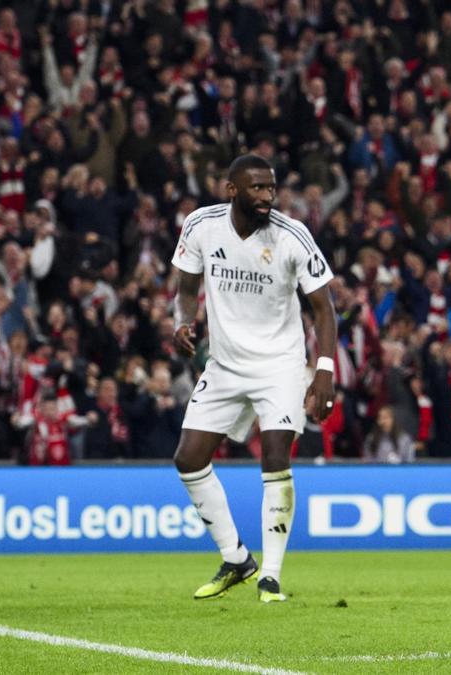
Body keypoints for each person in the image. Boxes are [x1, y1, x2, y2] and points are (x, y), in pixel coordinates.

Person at [170, 154, 337, 603]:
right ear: (232, 190)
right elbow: (186, 289)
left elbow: (324, 307)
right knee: (188, 459)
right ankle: (236, 557)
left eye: (271, 188)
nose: (267, 196)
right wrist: (182, 323)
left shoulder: (291, 236)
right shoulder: (201, 226)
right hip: (224, 365)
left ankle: (272, 576)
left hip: (279, 364)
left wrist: (324, 370)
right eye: (258, 188)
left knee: (276, 454)